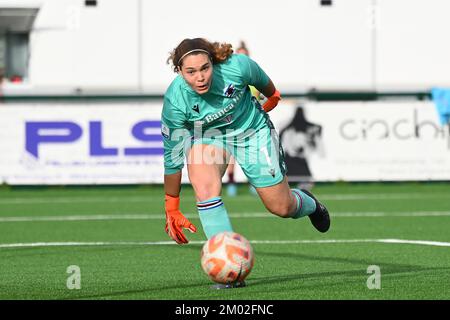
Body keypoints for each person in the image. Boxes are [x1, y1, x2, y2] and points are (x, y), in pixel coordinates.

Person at [162, 38, 330, 252]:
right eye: (191, 72)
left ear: (213, 62)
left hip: (253, 131)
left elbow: (262, 80)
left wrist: (273, 97)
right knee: (204, 188)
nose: (200, 77)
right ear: (179, 71)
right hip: (209, 137)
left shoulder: (236, 66)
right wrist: (172, 207)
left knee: (281, 207)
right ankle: (228, 260)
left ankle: (310, 203)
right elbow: (172, 157)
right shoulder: (175, 101)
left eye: (205, 68)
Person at [225, 41, 260, 196]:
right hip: (233, 123)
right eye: (238, 55)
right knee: (231, 155)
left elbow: (261, 97)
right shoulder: (230, 79)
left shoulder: (255, 77)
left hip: (251, 123)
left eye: (244, 56)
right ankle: (231, 183)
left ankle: (254, 183)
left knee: (252, 155)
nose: (242, 59)